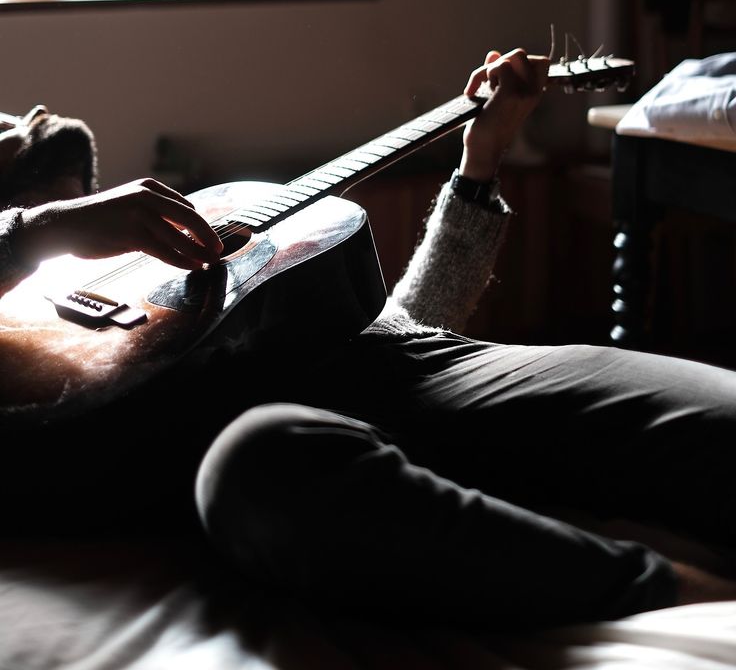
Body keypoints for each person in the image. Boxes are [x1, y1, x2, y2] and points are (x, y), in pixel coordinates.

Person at [1, 48, 736, 629]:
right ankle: (671, 588)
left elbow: (404, 317)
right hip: (254, 441)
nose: (28, 115)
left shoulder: (124, 256)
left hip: (417, 363)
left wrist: (478, 166)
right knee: (261, 466)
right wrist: (35, 232)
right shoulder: (43, 329)